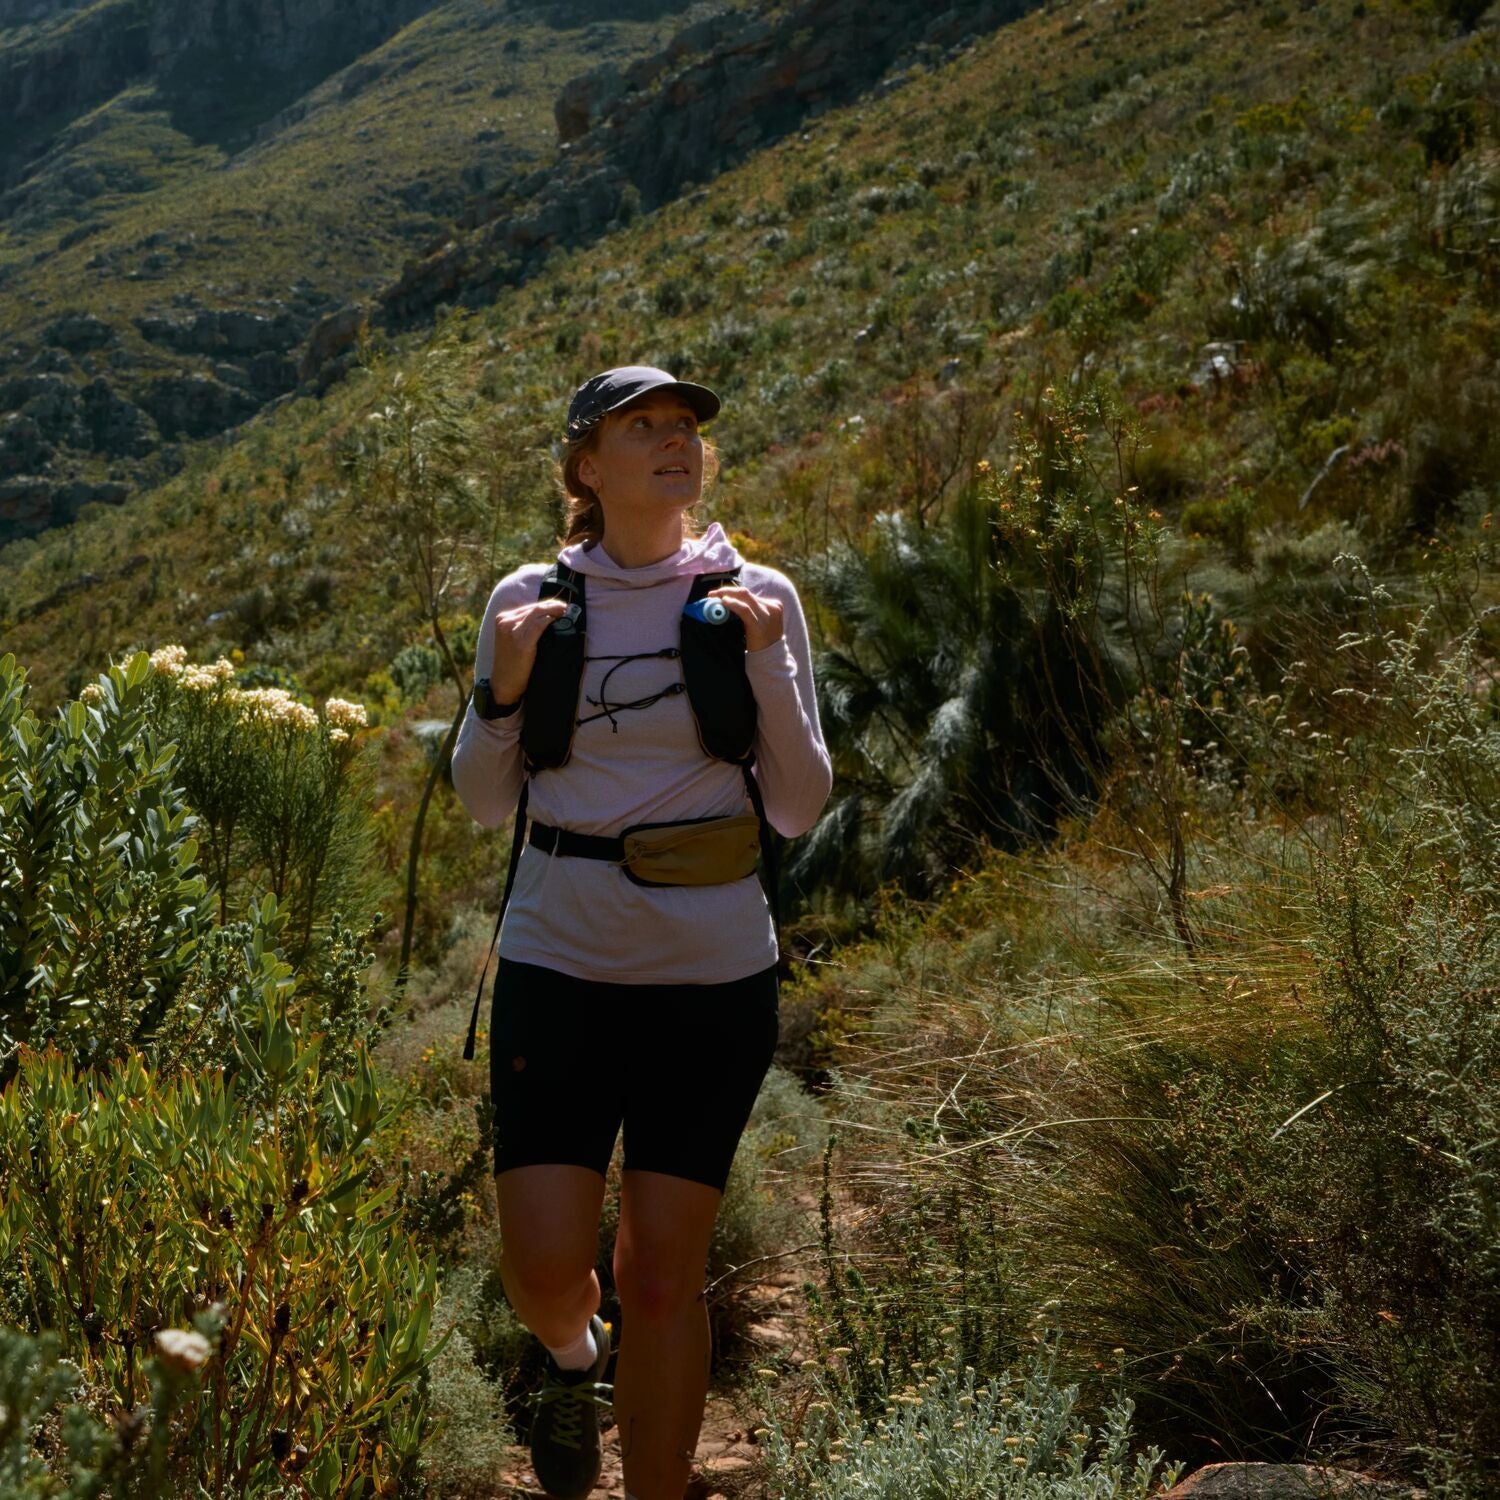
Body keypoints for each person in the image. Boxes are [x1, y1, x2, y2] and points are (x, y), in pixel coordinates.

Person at [450, 365, 832, 1500]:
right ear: (586, 467)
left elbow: (798, 806)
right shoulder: (530, 599)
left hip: (711, 978)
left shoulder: (756, 595)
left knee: (663, 1276)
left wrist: (764, 660)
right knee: (541, 1271)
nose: (676, 442)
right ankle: (575, 1356)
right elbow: (482, 802)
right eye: (644, 427)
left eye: (685, 428)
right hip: (559, 962)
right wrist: (502, 689)